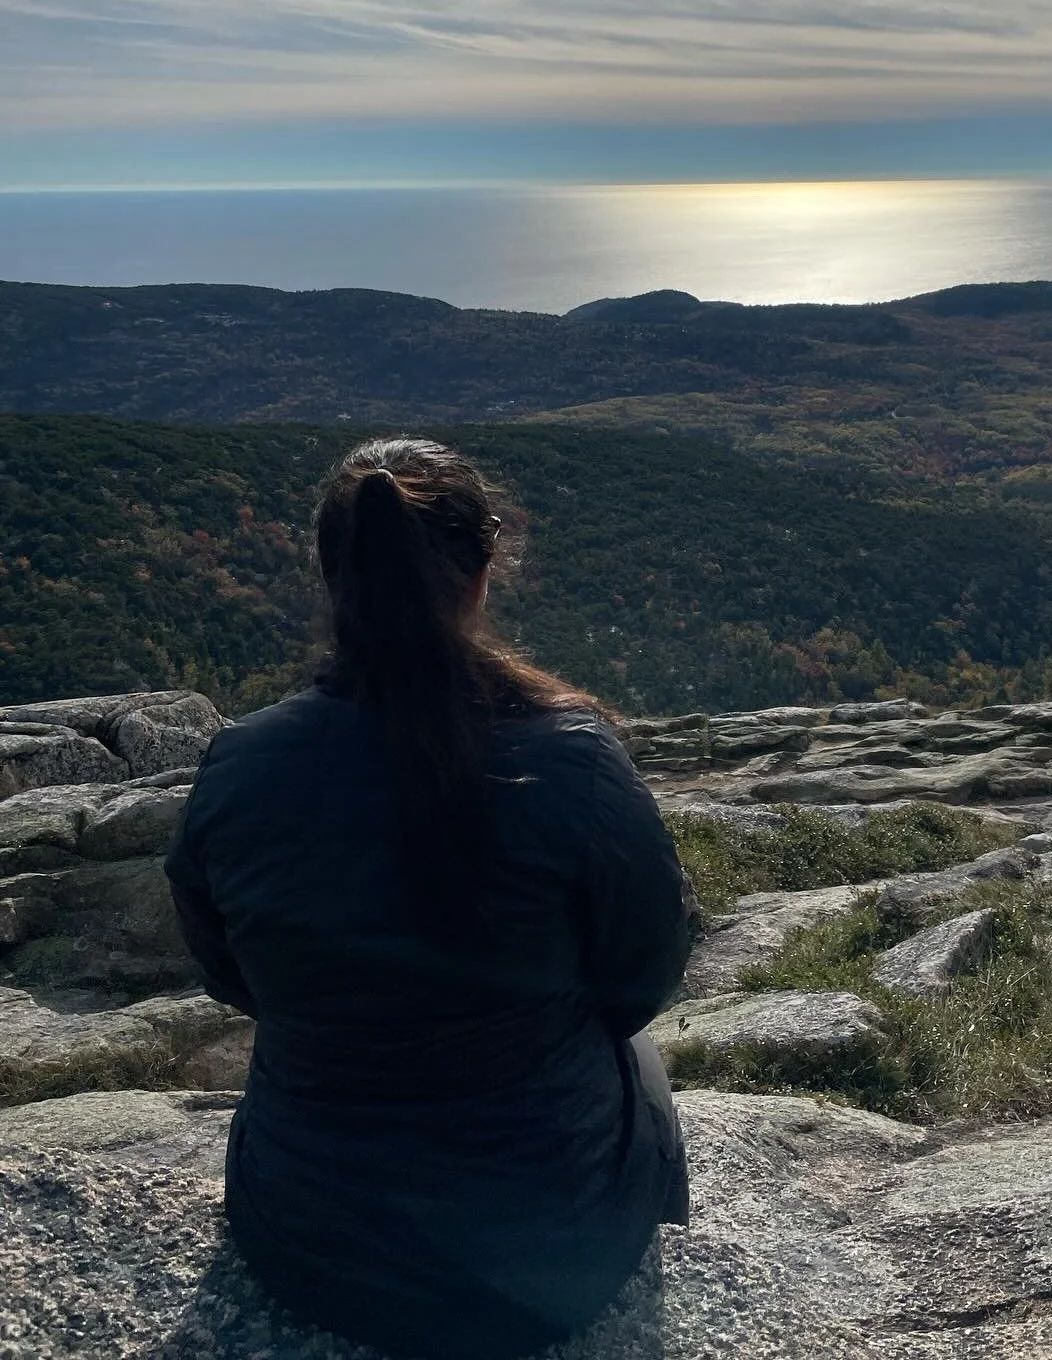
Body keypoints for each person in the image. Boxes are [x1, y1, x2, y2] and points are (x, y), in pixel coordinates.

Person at [164, 436, 693, 1359]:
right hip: (558, 1255)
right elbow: (640, 980)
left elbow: (231, 976)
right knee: (637, 1049)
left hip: (309, 1245)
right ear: (484, 570)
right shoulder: (572, 759)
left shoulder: (240, 763)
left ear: (336, 575)